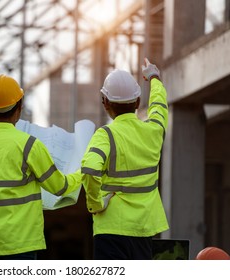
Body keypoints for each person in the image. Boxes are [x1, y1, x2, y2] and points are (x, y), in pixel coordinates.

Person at [0, 74, 81, 260]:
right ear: (20, 105)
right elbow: (59, 187)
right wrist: (81, 172)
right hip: (21, 246)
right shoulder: (29, 145)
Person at [80, 58, 169, 260]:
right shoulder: (153, 131)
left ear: (105, 103)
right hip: (143, 229)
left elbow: (90, 170)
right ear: (138, 102)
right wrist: (154, 77)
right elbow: (159, 106)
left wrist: (95, 204)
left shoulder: (105, 135)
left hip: (110, 230)